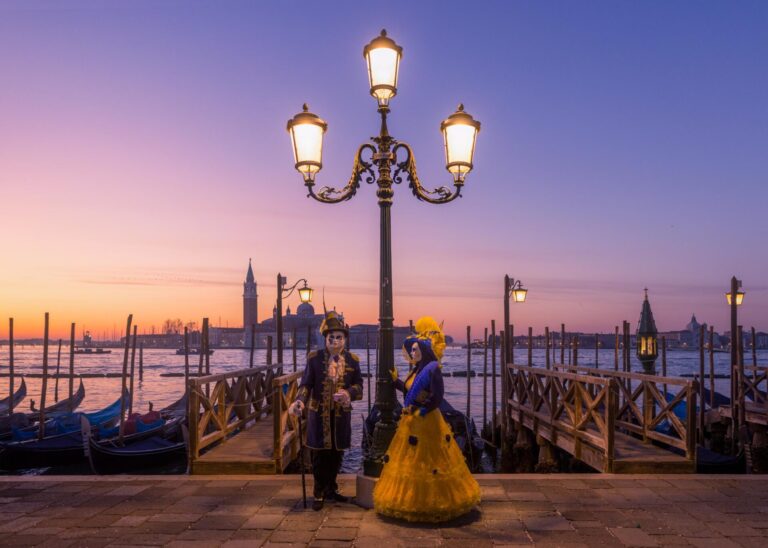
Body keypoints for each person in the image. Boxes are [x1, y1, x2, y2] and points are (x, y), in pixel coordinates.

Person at [373, 316, 480, 522]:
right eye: (411, 350)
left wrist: (424, 409)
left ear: (425, 350)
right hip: (411, 420)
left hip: (428, 421)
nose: (413, 353)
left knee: (431, 460)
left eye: (416, 349)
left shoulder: (433, 371)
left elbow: (437, 396)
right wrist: (395, 381)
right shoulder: (416, 370)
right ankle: (410, 500)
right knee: (411, 462)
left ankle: (437, 501)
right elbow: (407, 390)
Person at [289, 311, 363, 511]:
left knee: (336, 454)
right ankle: (319, 492)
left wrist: (348, 393)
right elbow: (306, 385)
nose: (335, 341)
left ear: (344, 339)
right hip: (318, 414)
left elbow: (359, 387)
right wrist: (299, 402)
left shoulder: (353, 360)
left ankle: (331, 488)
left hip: (340, 416)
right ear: (326, 339)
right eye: (332, 338)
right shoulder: (314, 359)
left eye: (339, 337)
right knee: (320, 455)